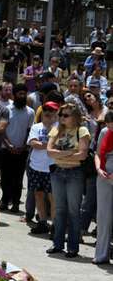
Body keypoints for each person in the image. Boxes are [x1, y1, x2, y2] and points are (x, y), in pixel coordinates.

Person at [46, 103, 89, 258]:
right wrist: (70, 153)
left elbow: (82, 155)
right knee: (59, 210)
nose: (62, 118)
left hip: (74, 173)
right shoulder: (56, 129)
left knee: (73, 211)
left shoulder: (82, 130)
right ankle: (57, 244)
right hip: (58, 172)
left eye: (66, 115)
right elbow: (49, 152)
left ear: (75, 116)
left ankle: (72, 247)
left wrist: (60, 154)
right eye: (61, 115)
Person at [0, 84, 35, 212]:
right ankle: (4, 201)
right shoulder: (6, 110)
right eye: (20, 94)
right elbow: (2, 130)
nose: (22, 96)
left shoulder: (30, 112)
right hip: (6, 149)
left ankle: (15, 203)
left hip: (22, 151)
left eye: (24, 94)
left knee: (18, 178)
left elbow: (29, 131)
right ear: (14, 95)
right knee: (5, 177)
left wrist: (24, 146)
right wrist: (9, 145)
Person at [26, 101, 59, 235]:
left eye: (52, 111)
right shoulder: (36, 126)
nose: (48, 113)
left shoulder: (59, 128)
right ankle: (42, 222)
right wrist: (50, 145)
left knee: (53, 197)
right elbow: (33, 143)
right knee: (38, 194)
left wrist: (43, 144)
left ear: (56, 113)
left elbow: (59, 145)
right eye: (46, 110)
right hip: (36, 166)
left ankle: (55, 225)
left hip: (52, 167)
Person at [93, 110, 113, 264]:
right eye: (109, 126)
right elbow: (98, 153)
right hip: (104, 177)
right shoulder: (105, 132)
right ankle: (101, 254)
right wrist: (99, 169)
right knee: (103, 215)